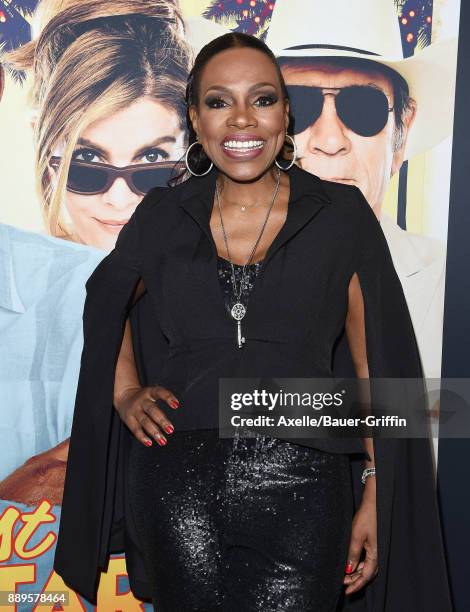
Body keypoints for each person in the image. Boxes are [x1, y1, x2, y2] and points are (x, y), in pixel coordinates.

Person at [54, 33, 451, 611]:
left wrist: (374, 486)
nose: (242, 119)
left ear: (285, 113)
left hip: (304, 493)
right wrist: (125, 392)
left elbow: (375, 364)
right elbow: (105, 300)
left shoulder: (340, 218)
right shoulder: (162, 215)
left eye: (262, 99)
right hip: (175, 488)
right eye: (219, 102)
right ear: (195, 118)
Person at [264, 0, 457, 386]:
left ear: (401, 135)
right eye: (298, 106)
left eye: (363, 108)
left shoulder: (450, 288)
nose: (330, 140)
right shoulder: (197, 282)